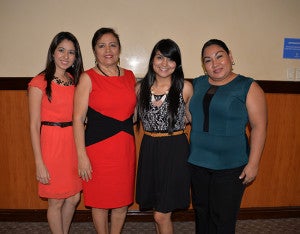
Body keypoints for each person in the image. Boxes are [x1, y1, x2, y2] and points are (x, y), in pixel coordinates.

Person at [188, 39, 268, 234]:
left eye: (219, 56)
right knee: (202, 214)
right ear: (203, 65)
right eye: (208, 60)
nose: (215, 64)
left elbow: (259, 126)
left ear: (230, 56)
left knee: (223, 219)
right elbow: (188, 115)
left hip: (231, 166)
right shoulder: (196, 84)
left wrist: (253, 163)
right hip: (197, 162)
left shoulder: (247, 86)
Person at [73, 27, 136, 234]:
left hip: (124, 149)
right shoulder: (87, 78)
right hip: (97, 151)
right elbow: (78, 118)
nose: (107, 50)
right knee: (99, 202)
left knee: (121, 201)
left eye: (112, 45)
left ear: (119, 49)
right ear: (94, 51)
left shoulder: (129, 76)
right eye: (101, 45)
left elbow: (132, 113)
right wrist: (81, 155)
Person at [135, 39, 193, 234]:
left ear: (177, 64)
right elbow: (128, 117)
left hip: (174, 150)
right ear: (152, 60)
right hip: (150, 148)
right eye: (160, 57)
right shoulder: (140, 88)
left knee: (162, 214)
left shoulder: (184, 88)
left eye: (170, 59)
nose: (164, 64)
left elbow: (193, 119)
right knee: (157, 211)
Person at [28, 31, 84, 234]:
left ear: (76, 57)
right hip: (51, 144)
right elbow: (34, 125)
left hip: (72, 143)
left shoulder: (75, 81)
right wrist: (39, 162)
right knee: (56, 201)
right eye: (61, 50)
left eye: (71, 52)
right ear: (52, 52)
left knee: (74, 197)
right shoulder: (39, 82)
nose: (65, 56)